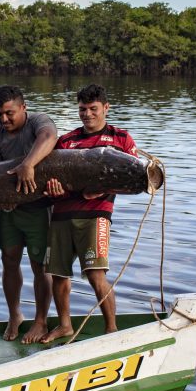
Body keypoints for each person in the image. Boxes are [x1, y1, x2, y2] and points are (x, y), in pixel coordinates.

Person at [42, 83, 137, 340]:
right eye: (82, 109)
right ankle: (64, 325)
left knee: (96, 274)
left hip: (96, 215)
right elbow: (52, 178)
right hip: (61, 214)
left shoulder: (121, 139)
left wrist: (100, 192)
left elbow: (132, 178)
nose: (87, 114)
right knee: (58, 274)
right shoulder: (66, 141)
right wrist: (54, 190)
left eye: (93, 109)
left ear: (105, 107)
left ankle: (111, 329)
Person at [0, 85, 58, 344]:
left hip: (40, 207)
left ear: (23, 108)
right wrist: (1, 200)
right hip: (11, 211)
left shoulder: (38, 122)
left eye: (9, 113)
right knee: (10, 260)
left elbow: (49, 137)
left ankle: (40, 320)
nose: (4, 120)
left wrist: (28, 164)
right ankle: (14, 314)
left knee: (41, 266)